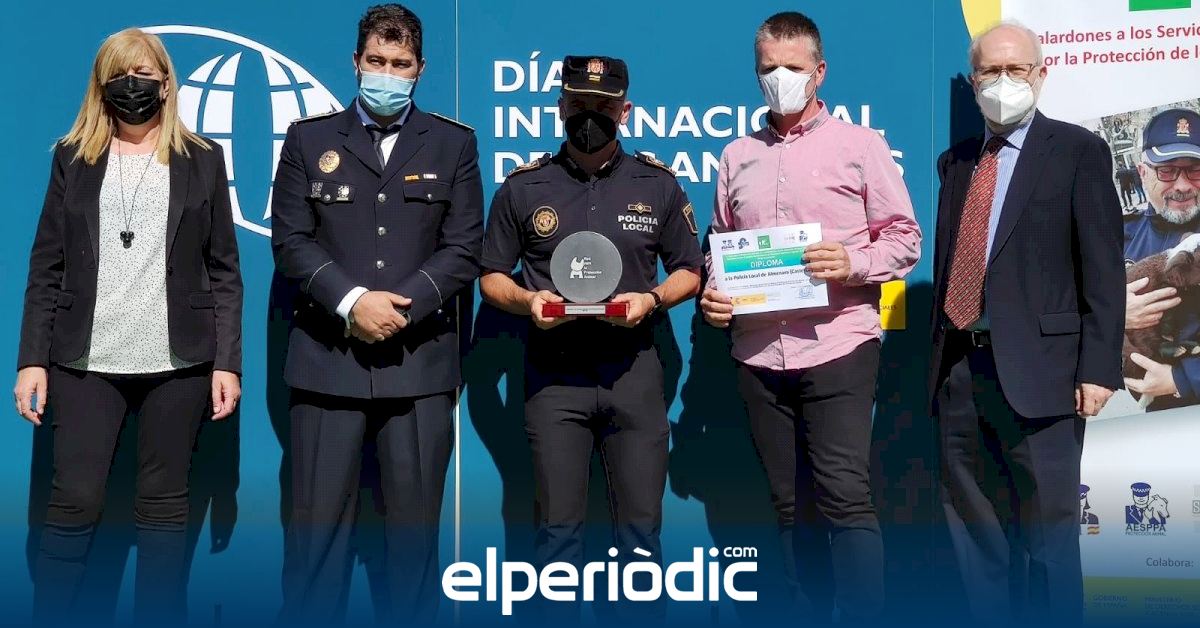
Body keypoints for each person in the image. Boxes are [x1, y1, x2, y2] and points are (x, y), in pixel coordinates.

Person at [13, 28, 243, 625]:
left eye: (144, 74)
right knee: (74, 502)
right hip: (84, 360)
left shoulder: (203, 159)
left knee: (164, 512)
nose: (132, 85)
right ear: (101, 85)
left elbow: (225, 270)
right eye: (120, 74)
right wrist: (31, 359)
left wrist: (227, 362)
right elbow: (46, 266)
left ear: (166, 83)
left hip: (179, 362)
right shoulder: (72, 157)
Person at [699, 12, 921, 623]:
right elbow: (721, 244)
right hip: (758, 352)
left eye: (792, 67)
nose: (780, 78)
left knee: (844, 497)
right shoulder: (736, 155)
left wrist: (852, 261)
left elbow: (905, 239)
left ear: (819, 72)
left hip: (839, 344)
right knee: (785, 505)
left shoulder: (860, 146)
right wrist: (715, 292)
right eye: (768, 67)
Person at [270, 3, 483, 623]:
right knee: (313, 549)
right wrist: (352, 302)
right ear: (355, 62)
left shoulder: (454, 143)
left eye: (400, 64)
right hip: (326, 365)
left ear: (420, 69)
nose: (386, 74)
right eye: (376, 61)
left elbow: (463, 248)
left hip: (417, 369)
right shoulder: (308, 139)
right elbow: (291, 241)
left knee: (412, 552)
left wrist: (401, 308)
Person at [479, 55, 702, 620]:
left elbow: (690, 269)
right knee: (557, 536)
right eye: (579, 104)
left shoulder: (658, 184)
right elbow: (490, 277)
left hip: (635, 374)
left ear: (624, 111)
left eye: (603, 106)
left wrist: (653, 300)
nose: (590, 116)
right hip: (554, 379)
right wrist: (527, 302)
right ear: (560, 107)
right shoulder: (524, 187)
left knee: (641, 536)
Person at [929, 21, 1124, 624]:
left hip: (1045, 374)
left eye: (1016, 69)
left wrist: (1099, 368)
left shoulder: (1078, 150)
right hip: (960, 369)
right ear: (973, 80)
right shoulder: (956, 162)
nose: (1003, 81)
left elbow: (1102, 266)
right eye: (991, 70)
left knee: (1048, 539)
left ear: (1041, 74)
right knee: (974, 534)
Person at [1121, 109, 1200, 410]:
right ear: (1143, 173)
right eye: (1166, 171)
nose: (1182, 186)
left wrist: (1183, 379)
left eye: (1195, 170)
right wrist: (1114, 316)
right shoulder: (1118, 236)